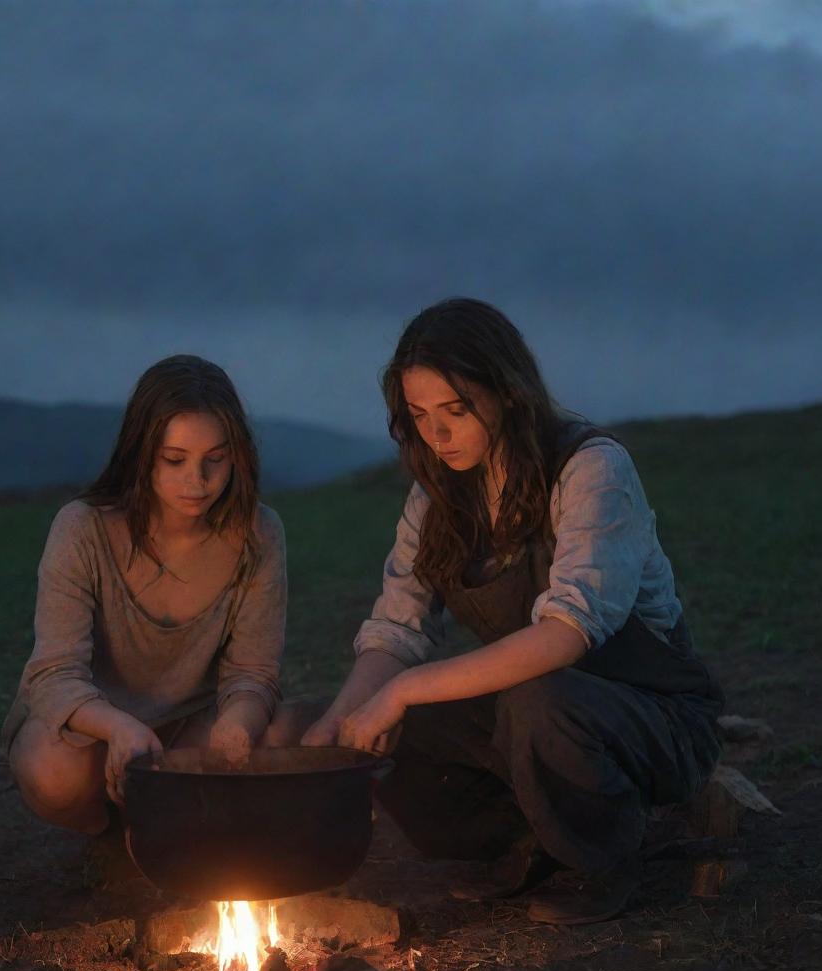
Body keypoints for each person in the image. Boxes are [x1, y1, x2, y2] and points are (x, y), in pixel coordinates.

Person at [302, 298, 723, 924]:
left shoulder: (590, 469)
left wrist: (408, 690)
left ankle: (606, 856)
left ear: (507, 392)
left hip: (651, 716)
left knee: (529, 698)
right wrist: (338, 726)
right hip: (535, 712)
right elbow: (397, 628)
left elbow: (565, 635)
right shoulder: (436, 495)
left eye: (456, 410)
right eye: (419, 415)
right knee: (381, 725)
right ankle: (530, 844)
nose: (437, 435)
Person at [3, 354, 301, 837]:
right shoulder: (84, 528)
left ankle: (174, 831)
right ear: (142, 451)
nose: (197, 482)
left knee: (289, 734)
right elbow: (54, 674)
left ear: (238, 454)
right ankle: (109, 841)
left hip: (192, 727)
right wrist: (119, 728)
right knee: (52, 772)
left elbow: (254, 673)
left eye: (215, 460)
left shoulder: (258, 534)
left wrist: (238, 726)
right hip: (91, 728)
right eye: (175, 460)